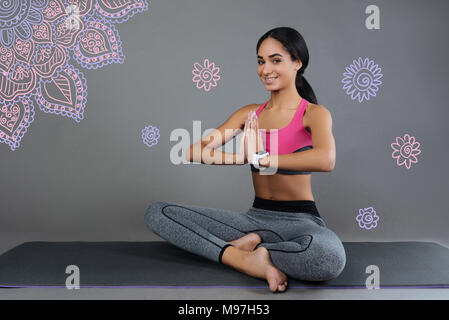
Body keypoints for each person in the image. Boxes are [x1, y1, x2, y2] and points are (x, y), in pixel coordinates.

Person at [144, 27, 346, 293]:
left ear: (297, 63)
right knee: (158, 213)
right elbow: (193, 150)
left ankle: (257, 247)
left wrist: (262, 158)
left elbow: (325, 159)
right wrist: (239, 157)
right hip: (254, 218)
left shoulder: (314, 114)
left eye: (276, 60)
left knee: (328, 258)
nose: (265, 69)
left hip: (302, 223)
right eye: (261, 61)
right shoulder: (250, 114)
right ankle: (244, 259)